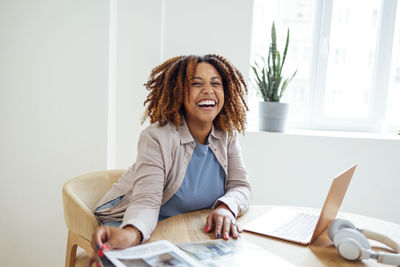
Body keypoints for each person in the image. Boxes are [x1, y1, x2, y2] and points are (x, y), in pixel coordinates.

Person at [88, 54, 251, 266]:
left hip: (188, 227)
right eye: (196, 83)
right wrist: (131, 234)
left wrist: (225, 208)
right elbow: (146, 202)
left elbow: (241, 187)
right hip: (135, 222)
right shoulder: (157, 137)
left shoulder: (227, 136)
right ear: (179, 92)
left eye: (216, 83)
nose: (208, 90)